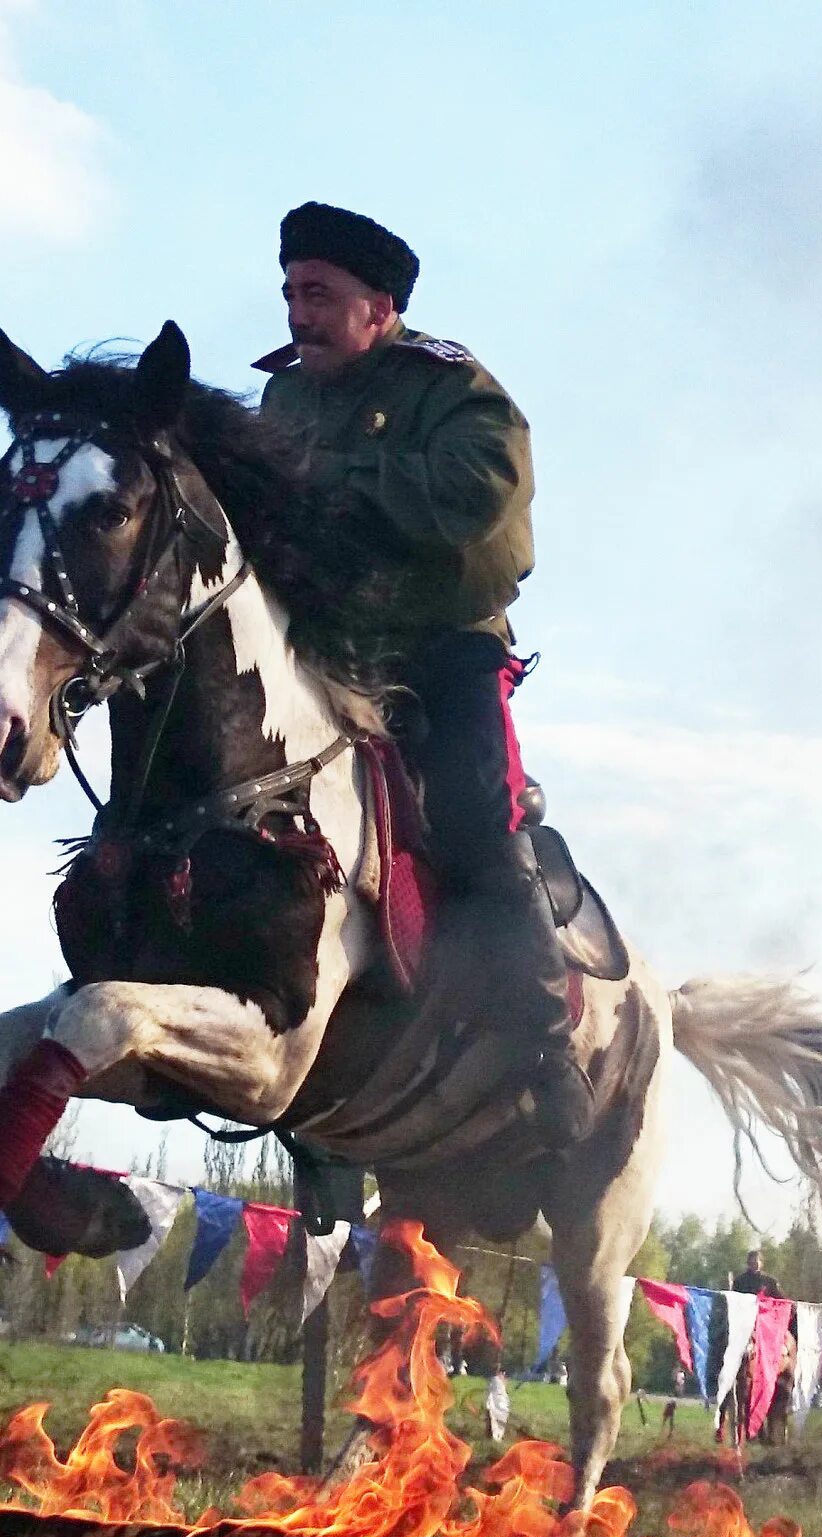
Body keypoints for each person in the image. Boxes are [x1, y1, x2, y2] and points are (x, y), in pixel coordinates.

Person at [256, 201, 589, 1146]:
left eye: (318, 294)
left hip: (443, 649)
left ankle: (547, 1047)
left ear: (382, 305)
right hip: (327, 645)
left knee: (478, 815)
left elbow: (483, 498)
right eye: (290, 292)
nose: (297, 312)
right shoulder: (283, 400)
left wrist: (338, 491)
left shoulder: (454, 391)